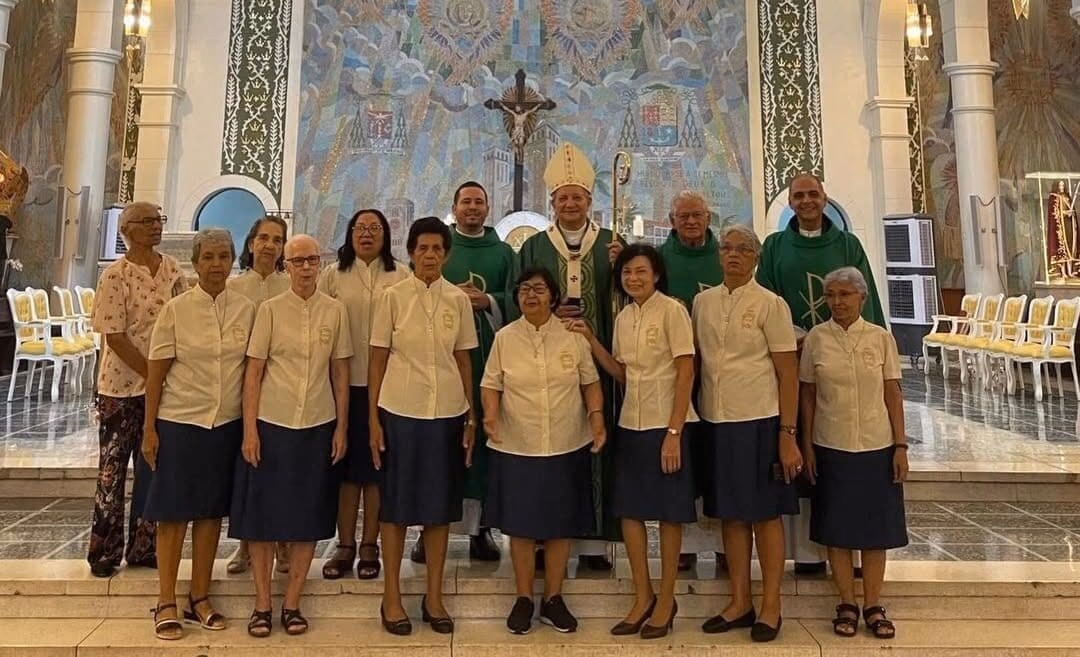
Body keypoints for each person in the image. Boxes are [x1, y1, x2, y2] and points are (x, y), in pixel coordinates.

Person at [756, 172, 885, 576]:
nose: (807, 201)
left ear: (825, 198)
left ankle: (855, 543)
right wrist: (796, 338)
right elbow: (767, 302)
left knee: (843, 455)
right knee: (800, 453)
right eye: (799, 195)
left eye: (813, 194)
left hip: (843, 362)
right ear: (790, 202)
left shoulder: (848, 245)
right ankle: (809, 553)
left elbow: (870, 303)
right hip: (793, 359)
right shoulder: (775, 246)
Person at [569, 244, 696, 640]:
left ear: (656, 274)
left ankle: (667, 598)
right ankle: (643, 595)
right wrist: (590, 338)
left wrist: (674, 433)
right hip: (632, 422)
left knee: (670, 514)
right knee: (631, 512)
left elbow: (686, 372)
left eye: (640, 271)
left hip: (668, 424)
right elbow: (622, 374)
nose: (633, 279)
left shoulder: (672, 311)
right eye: (626, 273)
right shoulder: (624, 316)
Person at [229, 234, 352, 638]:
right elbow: (254, 372)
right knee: (263, 518)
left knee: (306, 517)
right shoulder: (269, 310)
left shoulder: (335, 312)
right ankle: (263, 604)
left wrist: (341, 427)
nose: (305, 268)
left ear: (320, 264)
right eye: (297, 261)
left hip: (317, 423)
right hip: (272, 422)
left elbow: (340, 373)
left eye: (312, 261)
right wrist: (249, 430)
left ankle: (293, 602)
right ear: (286, 265)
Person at [141, 229, 254, 640]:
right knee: (172, 515)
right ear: (195, 261)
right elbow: (156, 374)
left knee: (209, 514)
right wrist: (150, 427)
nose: (216, 264)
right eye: (207, 257)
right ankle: (166, 599)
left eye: (223, 256)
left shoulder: (245, 309)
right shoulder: (176, 310)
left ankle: (199, 596)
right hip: (180, 421)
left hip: (225, 424)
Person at [369, 217, 478, 636]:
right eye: (422, 249)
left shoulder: (457, 300)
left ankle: (434, 596)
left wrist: (469, 416)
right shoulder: (392, 297)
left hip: (447, 413)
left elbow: (464, 359)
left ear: (446, 254)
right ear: (411, 253)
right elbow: (377, 358)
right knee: (395, 510)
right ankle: (391, 596)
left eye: (437, 249)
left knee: (439, 510)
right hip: (399, 411)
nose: (430, 256)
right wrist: (373, 420)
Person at [481, 267, 606, 635]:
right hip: (518, 442)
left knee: (559, 525)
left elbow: (591, 383)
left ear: (552, 296)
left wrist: (597, 420)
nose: (530, 296)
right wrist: (490, 415)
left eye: (538, 289)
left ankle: (553, 598)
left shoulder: (572, 336)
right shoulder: (505, 337)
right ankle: (523, 597)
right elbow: (491, 383)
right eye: (523, 290)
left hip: (567, 442)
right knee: (520, 526)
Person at [518, 142, 624, 571]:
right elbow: (518, 297)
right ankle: (546, 538)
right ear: (552, 203)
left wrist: (623, 266)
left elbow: (634, 296)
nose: (570, 203)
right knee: (553, 448)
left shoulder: (613, 245)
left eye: (577, 196)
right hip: (548, 367)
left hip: (599, 359)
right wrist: (548, 310)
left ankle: (595, 546)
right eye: (563, 197)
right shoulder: (534, 248)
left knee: (599, 444)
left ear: (589, 201)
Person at [695, 224, 801, 643]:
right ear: (719, 256)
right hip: (715, 420)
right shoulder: (702, 303)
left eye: (743, 249)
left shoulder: (771, 305)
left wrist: (787, 433)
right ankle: (740, 600)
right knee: (732, 516)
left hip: (759, 419)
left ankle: (771, 603)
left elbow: (787, 372)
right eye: (727, 248)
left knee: (764, 515)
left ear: (756, 258)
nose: (734, 255)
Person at [799, 266, 909, 640]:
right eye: (831, 295)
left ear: (861, 297)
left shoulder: (880, 338)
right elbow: (808, 395)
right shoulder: (816, 338)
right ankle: (846, 601)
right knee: (838, 529)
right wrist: (808, 446)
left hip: (877, 444)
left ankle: (873, 603)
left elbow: (893, 393)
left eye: (845, 295)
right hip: (831, 443)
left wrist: (900, 445)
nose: (837, 302)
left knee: (876, 530)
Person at [412, 181, 517, 565]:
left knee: (485, 448)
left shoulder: (504, 252)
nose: (472, 208)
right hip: (439, 362)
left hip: (488, 359)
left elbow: (518, 297)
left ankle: (480, 530)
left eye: (479, 202)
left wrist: (486, 300)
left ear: (488, 208)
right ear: (454, 208)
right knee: (438, 448)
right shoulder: (441, 249)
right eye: (465, 202)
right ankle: (429, 528)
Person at [88, 201, 187, 578]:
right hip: (121, 388)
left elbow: (184, 317)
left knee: (152, 469)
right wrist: (153, 373)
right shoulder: (116, 275)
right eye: (146, 222)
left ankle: (144, 546)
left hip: (159, 390)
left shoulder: (173, 269)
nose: (155, 227)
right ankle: (104, 551)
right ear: (127, 230)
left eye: (158, 220)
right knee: (112, 471)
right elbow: (115, 336)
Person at [319, 209, 409, 580]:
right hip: (343, 386)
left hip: (389, 387)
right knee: (345, 472)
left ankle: (370, 543)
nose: (367, 234)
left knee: (376, 470)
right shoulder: (333, 275)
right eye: (360, 228)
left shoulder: (400, 275)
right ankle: (345, 544)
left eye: (375, 228)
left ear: (386, 234)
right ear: (350, 234)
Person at [656, 190, 725, 572]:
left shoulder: (725, 256)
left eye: (697, 215)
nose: (690, 222)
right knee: (683, 461)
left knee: (715, 460)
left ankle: (721, 543)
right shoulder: (660, 261)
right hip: (676, 376)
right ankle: (682, 544)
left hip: (721, 374)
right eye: (683, 216)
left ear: (708, 217)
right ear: (672, 221)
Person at [226, 215, 292, 576]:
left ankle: (282, 543)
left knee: (278, 473)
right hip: (241, 391)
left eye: (277, 240)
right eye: (263, 238)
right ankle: (245, 544)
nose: (269, 245)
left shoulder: (290, 286)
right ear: (251, 244)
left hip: (281, 394)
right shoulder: (234, 289)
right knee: (247, 473)